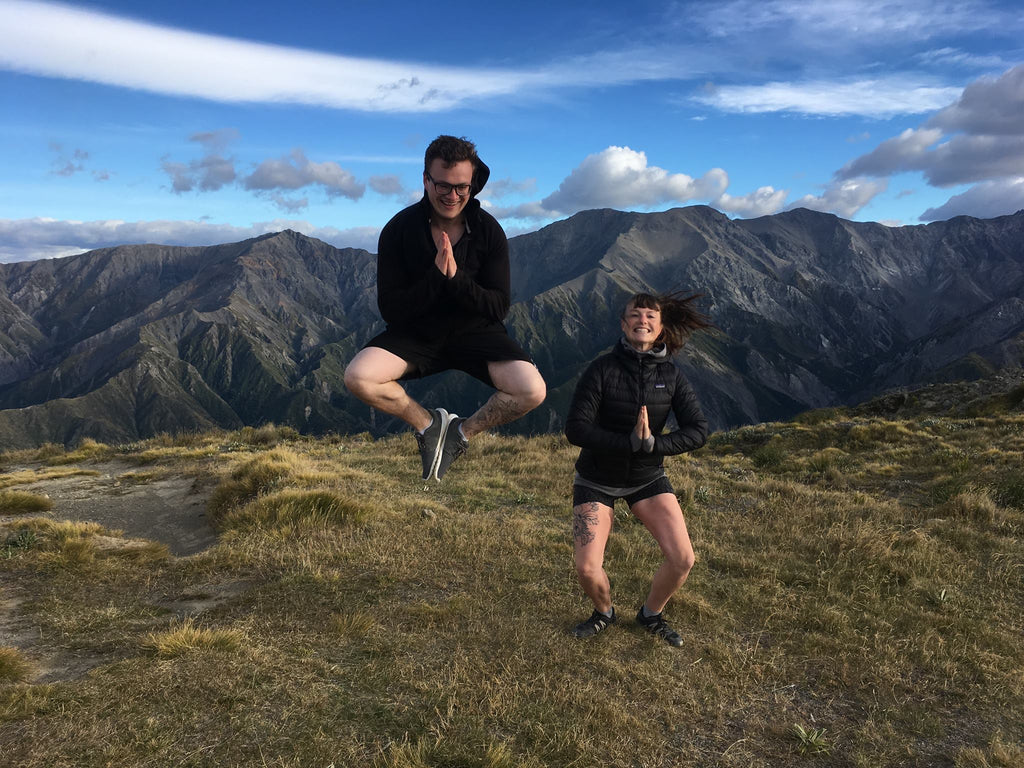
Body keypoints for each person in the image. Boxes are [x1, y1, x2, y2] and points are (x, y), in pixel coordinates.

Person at [344, 135, 545, 481]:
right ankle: (428, 425)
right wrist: (436, 277)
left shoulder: (489, 231)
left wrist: (454, 279)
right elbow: (391, 309)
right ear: (426, 180)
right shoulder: (398, 230)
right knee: (358, 377)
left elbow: (498, 307)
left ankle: (460, 434)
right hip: (417, 331)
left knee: (532, 390)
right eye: (443, 186)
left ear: (472, 185)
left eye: (462, 187)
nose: (452, 196)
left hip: (477, 332)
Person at [565, 291, 711, 646]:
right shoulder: (602, 369)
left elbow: (698, 431)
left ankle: (651, 614)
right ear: (623, 323)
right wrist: (627, 442)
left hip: (647, 478)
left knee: (682, 558)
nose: (642, 321)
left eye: (650, 316)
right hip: (597, 478)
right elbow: (576, 428)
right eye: (635, 315)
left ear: (660, 329)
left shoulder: (672, 376)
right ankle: (604, 612)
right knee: (587, 567)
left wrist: (652, 446)